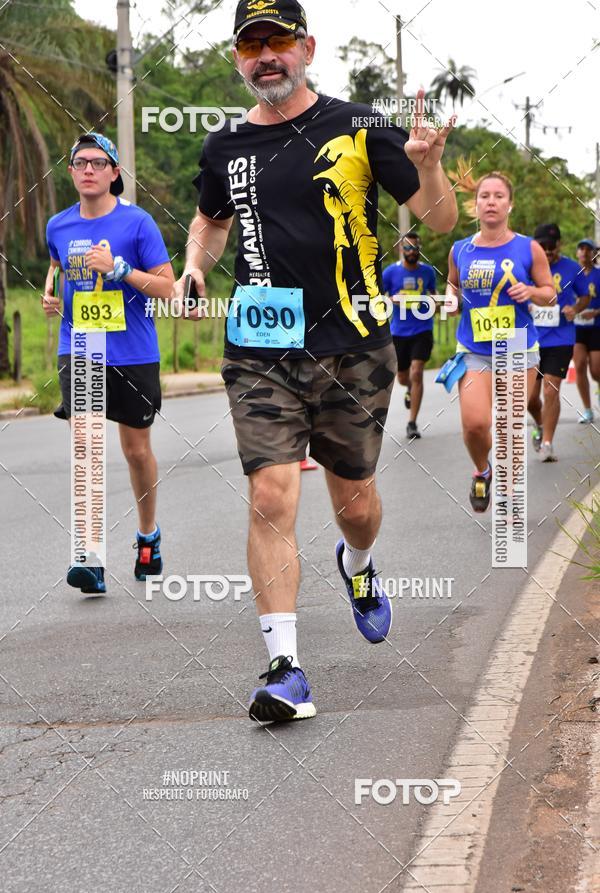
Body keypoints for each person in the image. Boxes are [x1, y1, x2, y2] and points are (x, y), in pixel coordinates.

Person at [176, 0, 458, 723]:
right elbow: (210, 221)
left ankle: (357, 565)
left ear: (307, 46)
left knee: (355, 505)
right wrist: (195, 269)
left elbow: (438, 219)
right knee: (271, 494)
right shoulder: (226, 144)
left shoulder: (361, 125)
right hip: (261, 344)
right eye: (251, 44)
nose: (266, 55)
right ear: (238, 58)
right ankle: (285, 668)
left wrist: (429, 170)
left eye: (278, 41)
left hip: (356, 344)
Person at [43, 132, 174, 594]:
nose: (89, 170)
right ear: (72, 171)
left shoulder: (137, 224)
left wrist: (119, 270)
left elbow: (166, 288)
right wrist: (52, 293)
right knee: (87, 448)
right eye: (80, 162)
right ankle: (90, 555)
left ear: (115, 172)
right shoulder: (57, 226)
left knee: (136, 451)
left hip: (133, 350)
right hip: (81, 345)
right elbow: (59, 268)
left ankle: (147, 535)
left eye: (99, 163)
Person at [446, 171, 555, 512]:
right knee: (475, 424)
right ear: (475, 205)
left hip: (518, 348)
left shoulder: (528, 247)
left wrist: (533, 291)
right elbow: (453, 285)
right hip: (475, 349)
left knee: (508, 423)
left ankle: (508, 496)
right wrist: (451, 299)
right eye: (484, 196)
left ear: (510, 205)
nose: (491, 201)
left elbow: (550, 294)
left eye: (498, 196)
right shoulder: (459, 249)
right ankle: (483, 470)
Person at [527, 224, 590, 460]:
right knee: (530, 399)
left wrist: (575, 308)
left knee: (551, 389)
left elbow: (586, 296)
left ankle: (547, 444)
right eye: (542, 247)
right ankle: (540, 424)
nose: (547, 251)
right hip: (531, 340)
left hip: (560, 339)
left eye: (551, 246)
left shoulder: (572, 268)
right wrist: (528, 305)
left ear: (559, 245)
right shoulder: (526, 268)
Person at [382, 231, 437, 439]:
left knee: (417, 372)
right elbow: (379, 300)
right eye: (407, 248)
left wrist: (432, 303)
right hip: (399, 332)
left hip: (422, 330)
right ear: (400, 249)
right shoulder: (390, 273)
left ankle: (412, 422)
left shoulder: (428, 272)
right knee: (403, 377)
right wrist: (393, 300)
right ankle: (409, 390)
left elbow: (434, 297)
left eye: (415, 248)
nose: (412, 252)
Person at [573, 238, 600, 423]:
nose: (584, 252)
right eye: (580, 248)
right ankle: (588, 410)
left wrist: (596, 312)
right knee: (580, 365)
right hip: (577, 327)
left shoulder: (598, 275)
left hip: (597, 326)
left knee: (596, 371)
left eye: (587, 249)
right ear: (577, 253)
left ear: (593, 254)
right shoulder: (571, 275)